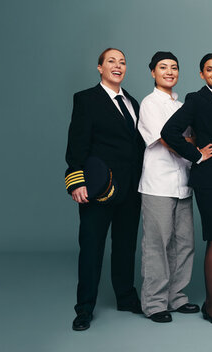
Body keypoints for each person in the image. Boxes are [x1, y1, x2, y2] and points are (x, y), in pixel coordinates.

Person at [65, 48, 145, 331]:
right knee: (91, 249)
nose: (118, 65)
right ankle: (84, 308)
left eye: (122, 62)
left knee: (125, 247)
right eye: (111, 61)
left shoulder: (133, 102)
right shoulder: (86, 99)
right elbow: (77, 143)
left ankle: (125, 297)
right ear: (100, 68)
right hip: (97, 188)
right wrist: (77, 181)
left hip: (130, 191)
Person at [161, 53, 212, 326]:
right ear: (202, 75)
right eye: (209, 69)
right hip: (210, 181)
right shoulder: (197, 99)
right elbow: (169, 131)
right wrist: (196, 154)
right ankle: (210, 305)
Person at [137, 52, 199, 323]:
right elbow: (166, 138)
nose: (169, 72)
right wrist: (196, 151)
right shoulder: (149, 103)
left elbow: (192, 136)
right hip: (158, 183)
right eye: (163, 68)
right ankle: (154, 303)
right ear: (153, 72)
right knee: (157, 244)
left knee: (184, 243)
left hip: (183, 182)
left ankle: (177, 297)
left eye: (174, 67)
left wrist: (195, 147)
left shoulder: (183, 104)